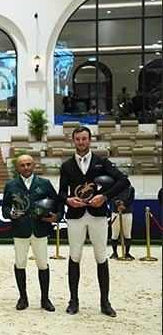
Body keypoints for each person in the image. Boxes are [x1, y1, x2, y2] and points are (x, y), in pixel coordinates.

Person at [59, 125, 130, 317]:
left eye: (84, 139)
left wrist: (105, 197)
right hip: (75, 216)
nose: (81, 142)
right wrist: (67, 200)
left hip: (98, 213)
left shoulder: (102, 162)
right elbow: (61, 192)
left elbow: (124, 181)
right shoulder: (66, 166)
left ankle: (105, 302)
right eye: (78, 139)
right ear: (73, 141)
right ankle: (73, 300)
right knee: (75, 256)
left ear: (90, 140)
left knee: (101, 256)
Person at [2, 154, 63, 312]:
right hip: (20, 229)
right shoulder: (11, 185)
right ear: (17, 167)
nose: (26, 167)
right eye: (22, 165)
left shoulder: (44, 183)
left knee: (42, 264)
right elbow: (5, 207)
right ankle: (23, 298)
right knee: (20, 263)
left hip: (40, 229)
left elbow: (57, 203)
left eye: (29, 164)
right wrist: (10, 214)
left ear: (34, 165)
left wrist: (57, 216)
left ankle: (45, 299)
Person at [109, 182, 135, 260]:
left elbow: (131, 199)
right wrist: (118, 204)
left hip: (127, 212)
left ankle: (127, 253)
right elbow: (111, 197)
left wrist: (123, 204)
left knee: (127, 233)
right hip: (115, 212)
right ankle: (114, 253)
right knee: (115, 233)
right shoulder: (113, 187)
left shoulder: (131, 188)